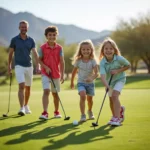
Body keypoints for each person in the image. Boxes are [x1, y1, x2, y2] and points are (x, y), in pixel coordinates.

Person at [8, 20, 40, 116]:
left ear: (27, 28)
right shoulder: (14, 40)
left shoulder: (31, 40)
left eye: (25, 27)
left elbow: (35, 53)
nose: (23, 28)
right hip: (19, 66)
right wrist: (9, 65)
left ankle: (26, 105)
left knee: (28, 88)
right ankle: (21, 108)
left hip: (29, 66)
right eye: (22, 27)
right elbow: (10, 53)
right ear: (19, 28)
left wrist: (38, 65)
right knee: (21, 86)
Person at [99, 37, 130, 126]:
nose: (108, 50)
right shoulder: (102, 62)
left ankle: (117, 118)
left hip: (120, 79)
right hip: (109, 82)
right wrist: (107, 86)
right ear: (103, 50)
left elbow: (128, 65)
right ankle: (116, 113)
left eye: (111, 49)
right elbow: (102, 76)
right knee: (111, 99)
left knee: (115, 95)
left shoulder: (119, 58)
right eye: (106, 49)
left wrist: (117, 71)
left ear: (114, 50)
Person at [38, 26, 65, 120]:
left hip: (56, 74)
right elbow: (39, 60)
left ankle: (56, 111)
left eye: (54, 35)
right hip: (45, 73)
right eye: (50, 35)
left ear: (56, 36)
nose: (52, 37)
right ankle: (45, 112)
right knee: (46, 91)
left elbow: (62, 62)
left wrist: (62, 73)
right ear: (46, 36)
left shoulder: (60, 48)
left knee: (55, 93)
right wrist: (45, 67)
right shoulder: (42, 48)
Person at [70, 40, 99, 122]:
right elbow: (74, 72)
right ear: (80, 50)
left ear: (91, 50)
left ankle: (90, 111)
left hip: (90, 84)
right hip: (81, 82)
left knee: (90, 100)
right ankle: (83, 115)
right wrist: (72, 82)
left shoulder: (93, 61)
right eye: (83, 49)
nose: (86, 51)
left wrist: (91, 78)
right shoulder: (78, 61)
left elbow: (97, 73)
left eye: (88, 49)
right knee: (82, 96)